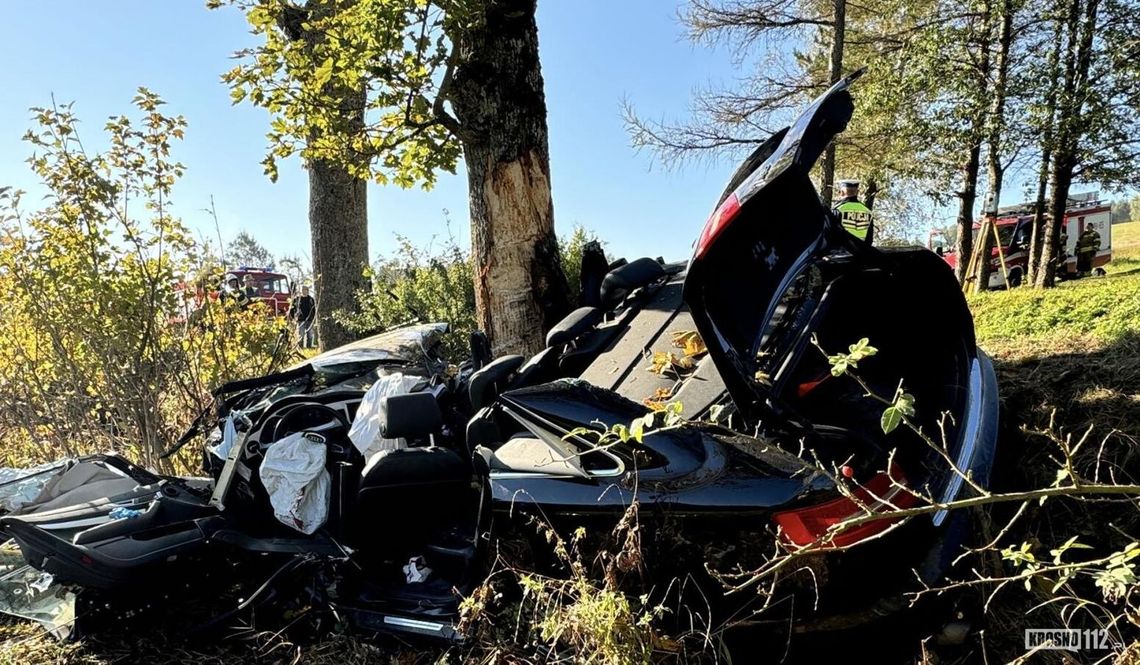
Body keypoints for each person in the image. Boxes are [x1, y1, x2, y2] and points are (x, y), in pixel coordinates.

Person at [833, 179, 874, 244]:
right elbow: (869, 239)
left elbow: (832, 233)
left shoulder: (838, 209)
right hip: (860, 251)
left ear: (842, 192)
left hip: (841, 251)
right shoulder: (867, 211)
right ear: (857, 192)